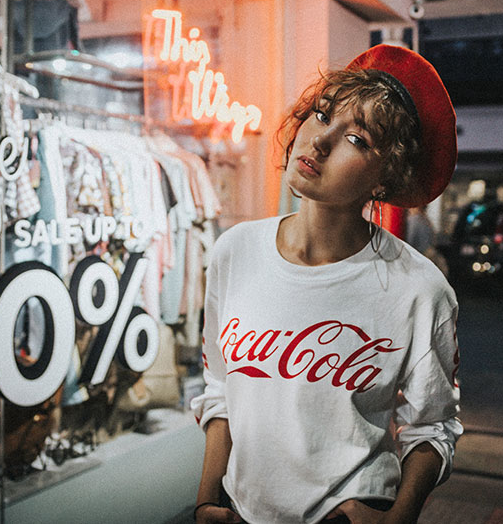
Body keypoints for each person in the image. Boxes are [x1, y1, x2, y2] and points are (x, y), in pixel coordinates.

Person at [191, 45, 462, 524]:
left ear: (386, 178)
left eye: (357, 140)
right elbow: (220, 388)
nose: (318, 142)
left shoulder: (419, 289)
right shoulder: (234, 252)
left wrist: (400, 517)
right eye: (320, 116)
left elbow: (433, 426)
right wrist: (207, 500)